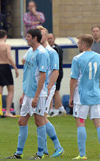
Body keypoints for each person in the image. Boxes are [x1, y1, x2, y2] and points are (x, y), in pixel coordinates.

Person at [6, 28, 48, 159]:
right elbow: (29, 74)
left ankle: (40, 154)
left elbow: (42, 76)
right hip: (28, 94)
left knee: (39, 121)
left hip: (38, 95)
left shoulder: (42, 53)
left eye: (28, 36)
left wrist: (36, 96)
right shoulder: (30, 51)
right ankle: (18, 153)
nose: (26, 38)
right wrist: (24, 93)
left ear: (35, 38)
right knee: (22, 121)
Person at [69, 34, 100, 160]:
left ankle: (82, 154)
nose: (78, 45)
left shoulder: (77, 59)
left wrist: (71, 97)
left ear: (83, 45)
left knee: (81, 123)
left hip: (81, 97)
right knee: (99, 124)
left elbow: (73, 79)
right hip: (96, 95)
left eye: (79, 43)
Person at [37, 26, 64, 158]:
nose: (39, 37)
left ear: (46, 37)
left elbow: (56, 71)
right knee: (39, 117)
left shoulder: (51, 52)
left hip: (46, 88)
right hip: (39, 89)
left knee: (43, 118)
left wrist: (48, 88)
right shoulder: (38, 51)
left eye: (41, 34)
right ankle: (45, 149)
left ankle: (58, 146)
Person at [0, 30, 19, 118]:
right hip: (5, 67)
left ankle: (0, 112)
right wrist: (15, 68)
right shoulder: (6, 45)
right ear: (5, 36)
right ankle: (7, 111)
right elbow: (9, 56)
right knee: (10, 90)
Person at [47, 33, 66, 117]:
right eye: (48, 38)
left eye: (51, 38)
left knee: (53, 90)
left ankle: (52, 109)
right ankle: (60, 109)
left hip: (56, 72)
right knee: (55, 91)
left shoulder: (55, 49)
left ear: (54, 39)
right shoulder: (55, 48)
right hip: (56, 71)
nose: (49, 40)